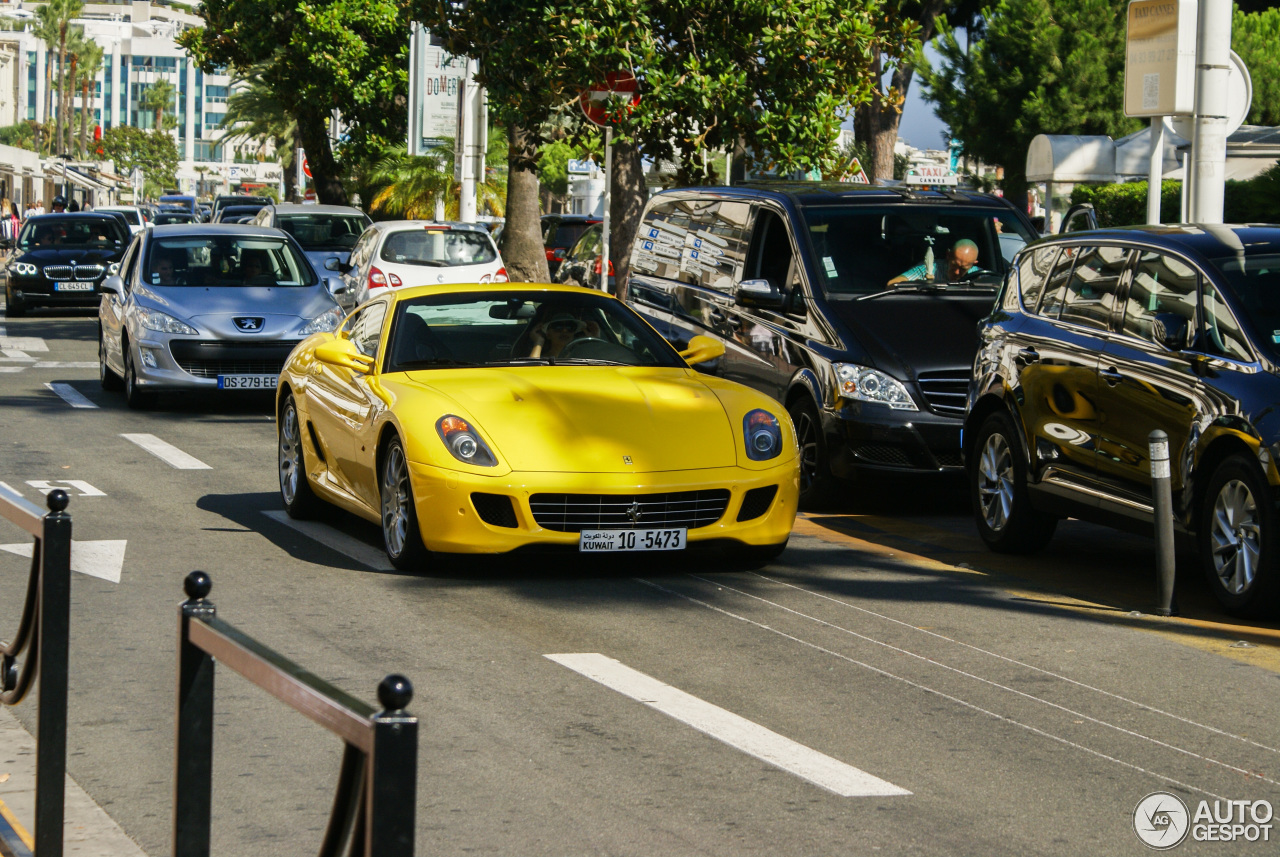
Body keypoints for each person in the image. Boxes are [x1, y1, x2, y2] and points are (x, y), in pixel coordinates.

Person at [888, 238, 980, 285]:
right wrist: (920, 284)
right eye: (954, 265)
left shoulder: (978, 275)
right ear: (948, 255)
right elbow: (891, 285)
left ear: (973, 264)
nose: (956, 272)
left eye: (963, 269)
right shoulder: (929, 268)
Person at [526, 310, 601, 358]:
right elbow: (531, 372)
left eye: (570, 327)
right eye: (558, 326)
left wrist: (593, 342)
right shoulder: (538, 359)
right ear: (548, 334)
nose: (565, 331)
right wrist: (538, 342)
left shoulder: (582, 358)